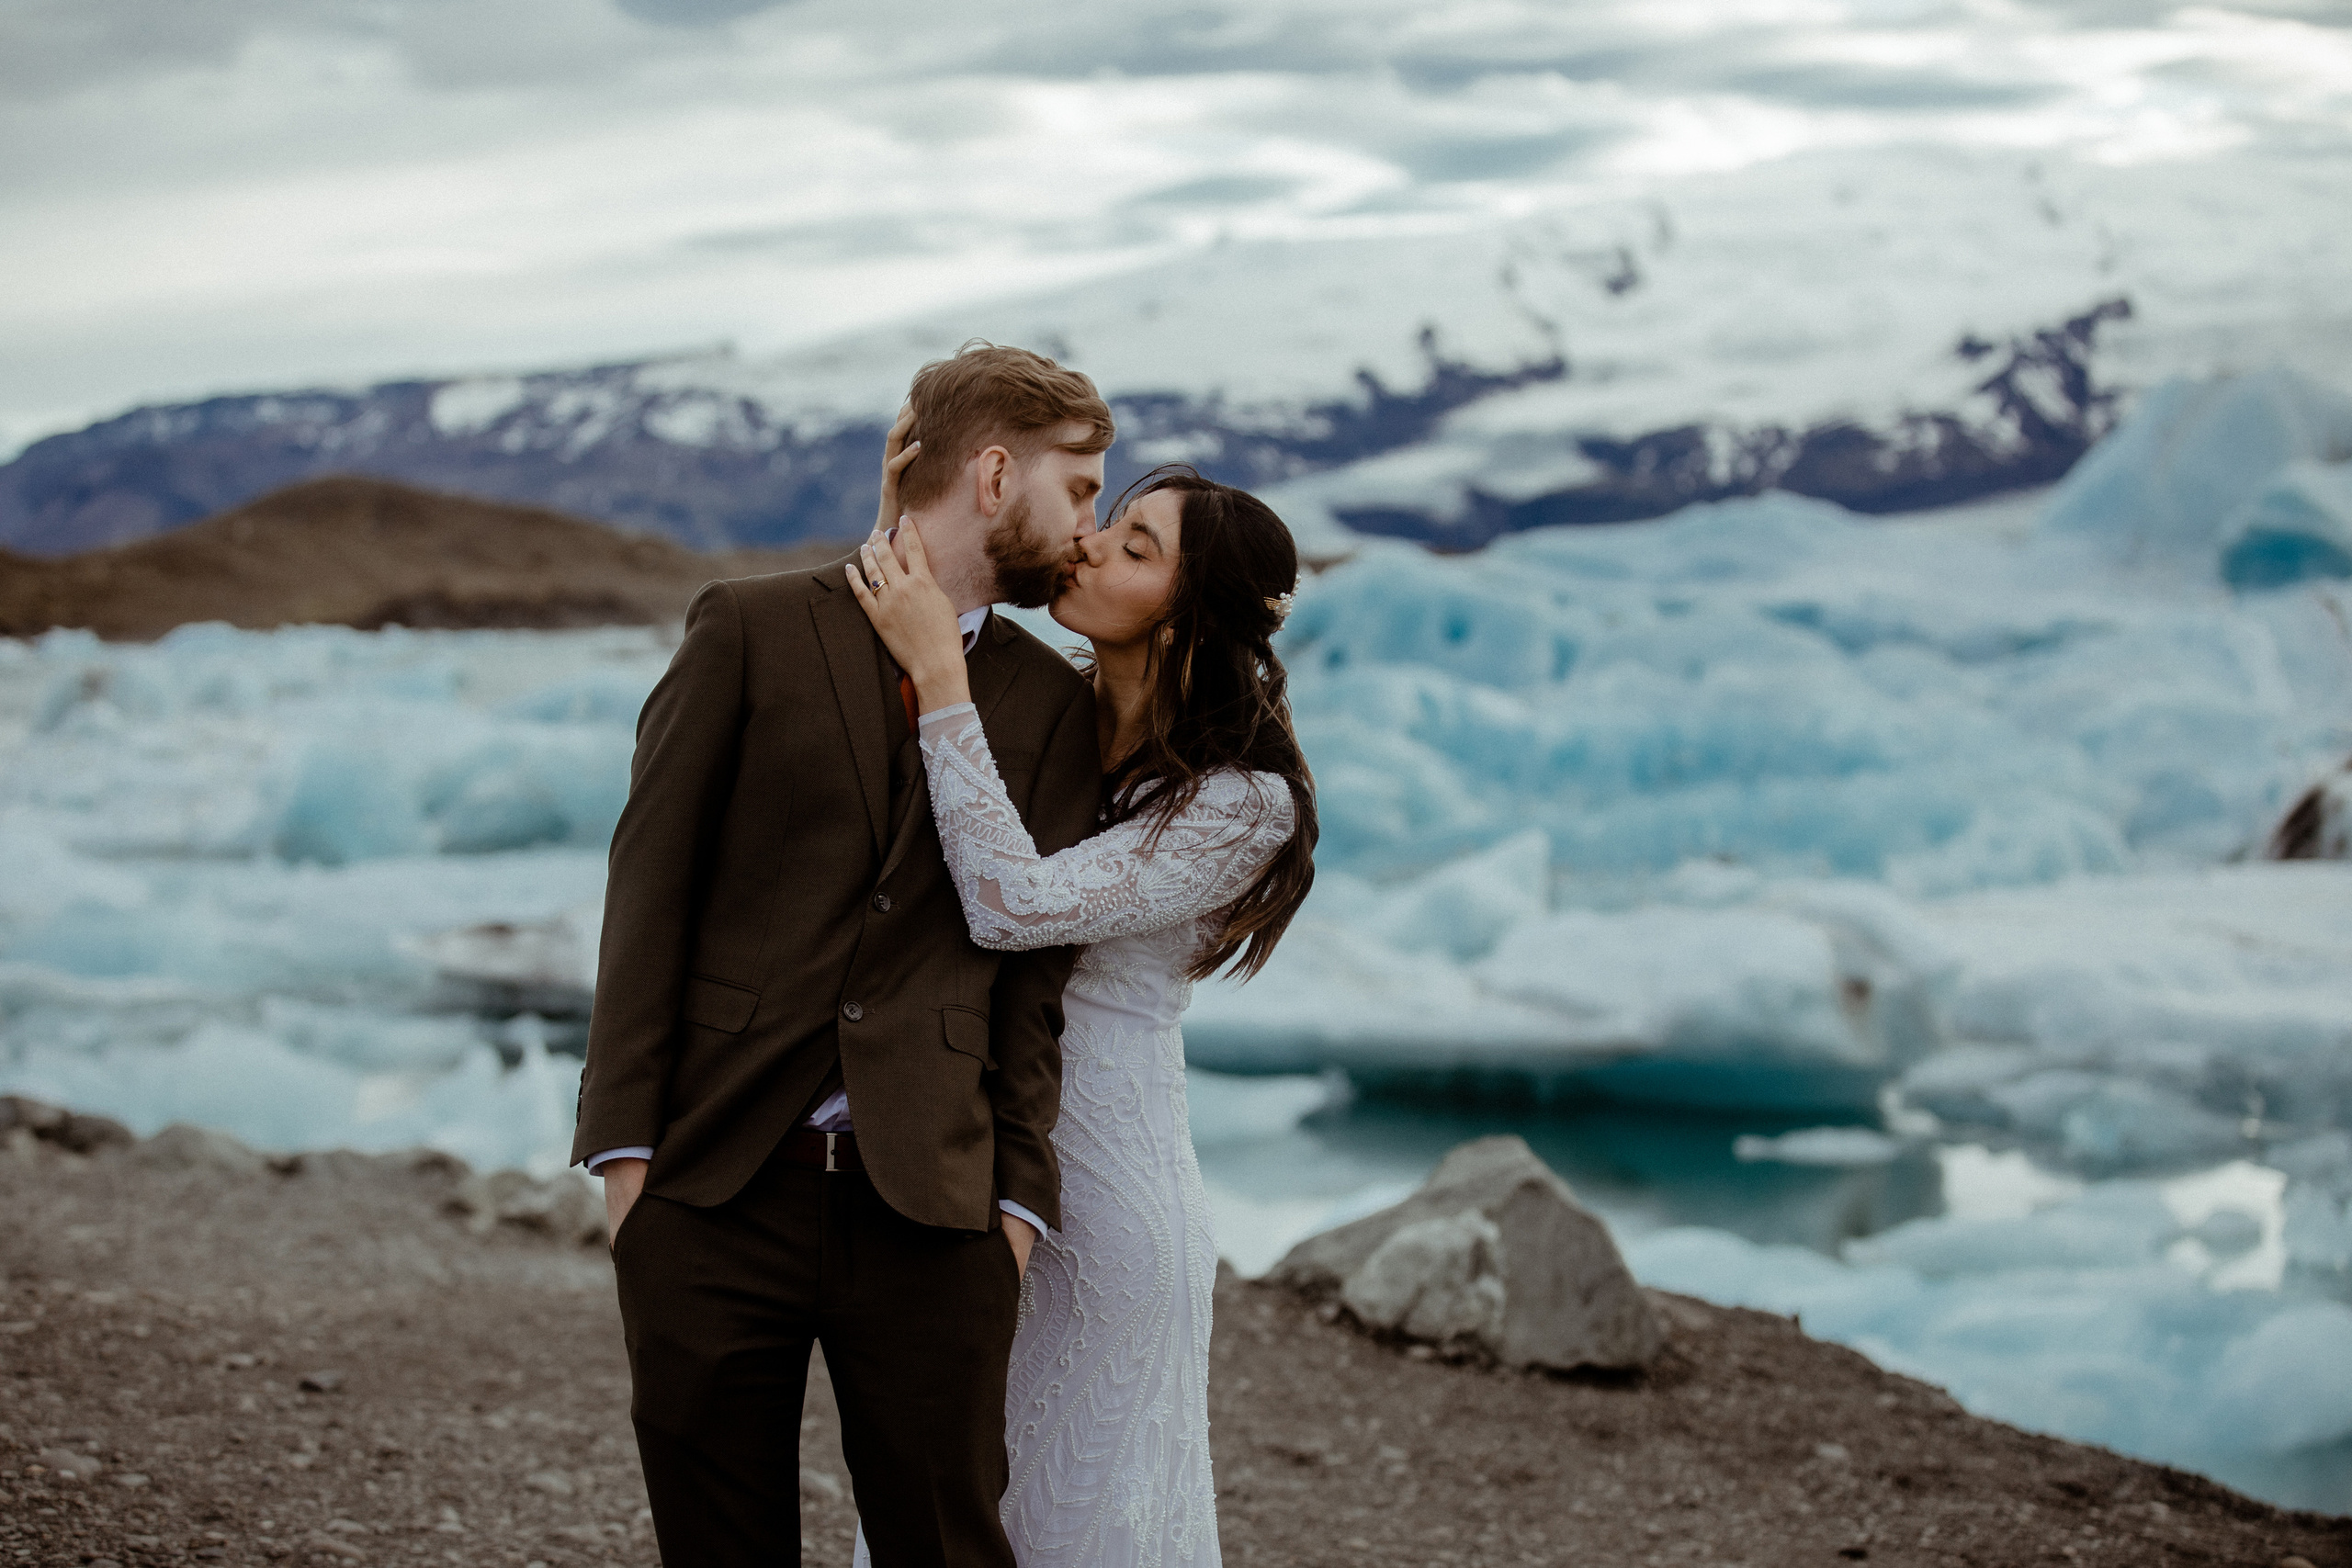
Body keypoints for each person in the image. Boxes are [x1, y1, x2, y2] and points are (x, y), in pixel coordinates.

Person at [572, 342, 1114, 1568]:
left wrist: (1013, 1209)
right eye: (1078, 487)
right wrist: (629, 1170)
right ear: (992, 474)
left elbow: (1035, 983)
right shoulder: (750, 628)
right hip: (714, 1185)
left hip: (933, 1208)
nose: (1088, 528)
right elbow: (649, 892)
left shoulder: (1053, 703)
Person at [848, 450, 1319, 1568]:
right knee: (932, 1486)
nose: (1092, 543)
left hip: (1108, 1190)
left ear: (1187, 618)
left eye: (1137, 548)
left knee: (1075, 1507)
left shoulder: (1239, 803)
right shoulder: (1042, 709)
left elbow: (1012, 905)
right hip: (974, 1149)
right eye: (1109, 520)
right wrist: (899, 520)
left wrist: (946, 692)